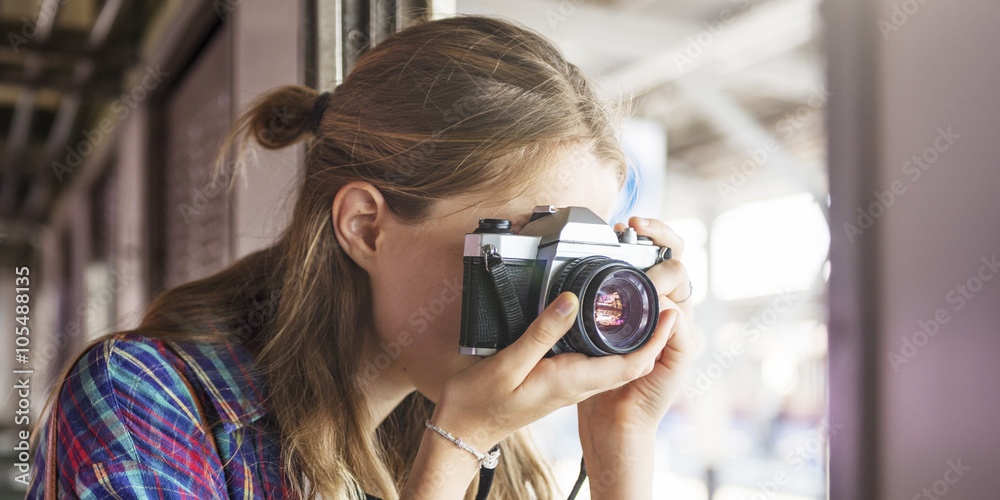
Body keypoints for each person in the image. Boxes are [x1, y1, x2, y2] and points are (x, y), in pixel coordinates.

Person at [25, 15, 696, 500]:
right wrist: (453, 453)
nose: (560, 302)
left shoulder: (474, 431)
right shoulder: (144, 403)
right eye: (529, 245)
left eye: (578, 254)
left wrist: (620, 446)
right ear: (365, 227)